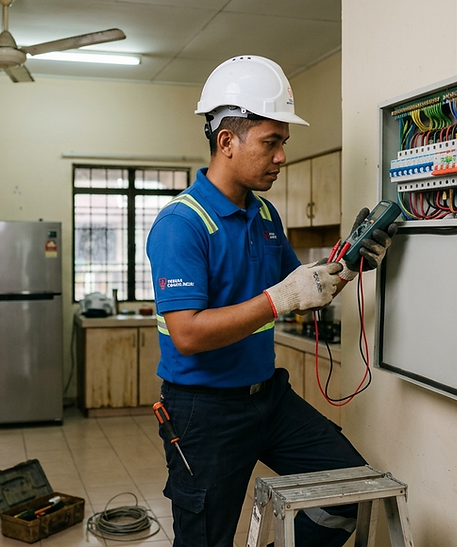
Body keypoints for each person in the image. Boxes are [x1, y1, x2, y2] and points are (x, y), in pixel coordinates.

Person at [145, 55, 397, 547]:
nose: (282, 156)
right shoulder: (182, 224)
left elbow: (303, 289)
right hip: (204, 410)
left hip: (268, 398)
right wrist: (278, 299)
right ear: (227, 142)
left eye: (283, 142)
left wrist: (349, 265)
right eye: (271, 142)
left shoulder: (264, 214)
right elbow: (188, 333)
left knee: (348, 489)